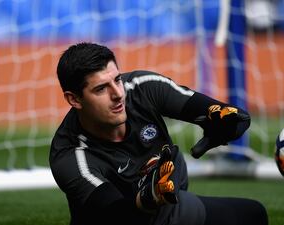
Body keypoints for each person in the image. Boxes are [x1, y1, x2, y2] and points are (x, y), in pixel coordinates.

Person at [50, 42, 268, 225]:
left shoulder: (143, 88)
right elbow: (113, 213)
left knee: (254, 215)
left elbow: (219, 113)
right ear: (74, 99)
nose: (118, 94)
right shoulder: (69, 155)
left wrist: (229, 123)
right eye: (100, 89)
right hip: (127, 219)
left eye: (116, 80)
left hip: (167, 205)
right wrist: (146, 199)